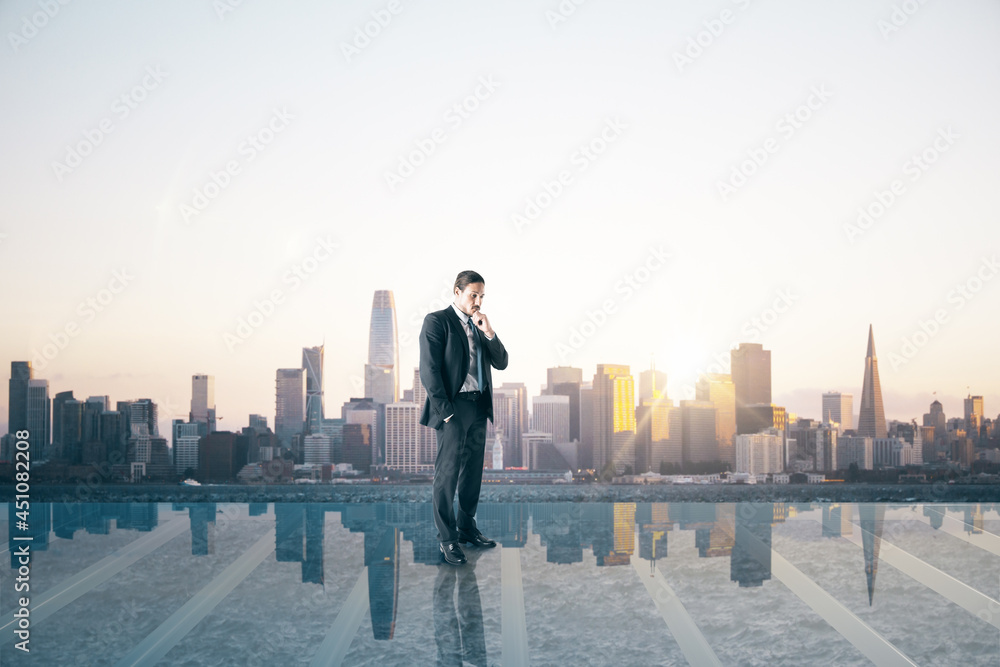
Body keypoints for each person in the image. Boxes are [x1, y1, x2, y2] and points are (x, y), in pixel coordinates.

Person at [419, 270, 508, 565]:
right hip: (453, 409)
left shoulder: (480, 326)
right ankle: (447, 539)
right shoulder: (437, 321)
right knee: (447, 475)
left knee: (472, 473)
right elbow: (430, 370)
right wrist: (446, 415)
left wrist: (489, 332)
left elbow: (502, 362)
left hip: (479, 406)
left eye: (482, 296)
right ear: (456, 292)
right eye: (473, 295)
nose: (478, 301)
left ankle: (467, 527)